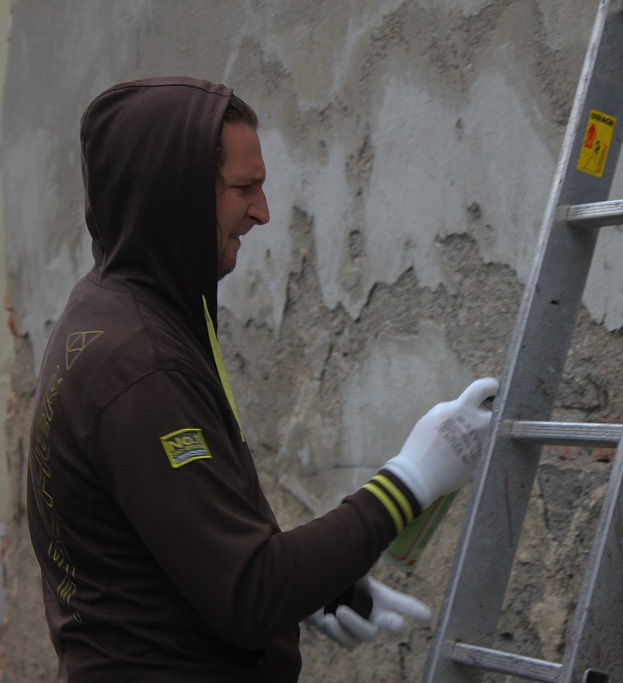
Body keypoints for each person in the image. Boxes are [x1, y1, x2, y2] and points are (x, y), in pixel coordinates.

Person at [26, 75, 498, 682]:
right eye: (243, 188)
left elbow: (195, 538)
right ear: (171, 195)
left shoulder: (114, 312)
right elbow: (250, 593)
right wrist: (411, 480)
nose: (263, 212)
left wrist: (313, 583)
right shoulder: (140, 364)